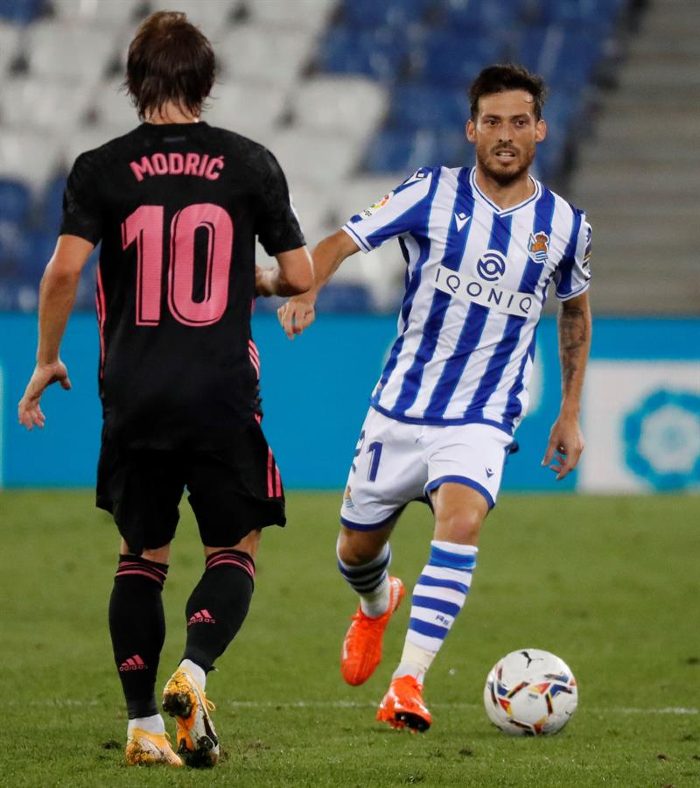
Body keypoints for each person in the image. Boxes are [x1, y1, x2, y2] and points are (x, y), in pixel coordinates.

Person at [18, 11, 312, 768]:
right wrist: (264, 281)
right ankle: (196, 668)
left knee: (140, 557)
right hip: (220, 393)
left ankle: (144, 728)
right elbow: (300, 276)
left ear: (133, 82)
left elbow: (62, 272)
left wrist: (48, 358)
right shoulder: (250, 163)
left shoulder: (99, 168)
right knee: (234, 546)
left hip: (134, 394)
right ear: (207, 84)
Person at [278, 64, 592, 733]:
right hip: (400, 408)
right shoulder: (431, 191)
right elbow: (341, 240)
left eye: (519, 122)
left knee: (463, 521)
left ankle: (407, 684)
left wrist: (568, 412)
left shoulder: (564, 224)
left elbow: (574, 313)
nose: (505, 135)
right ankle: (374, 606)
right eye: (492, 122)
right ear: (470, 128)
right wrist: (308, 287)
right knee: (356, 550)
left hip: (481, 414)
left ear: (540, 128)